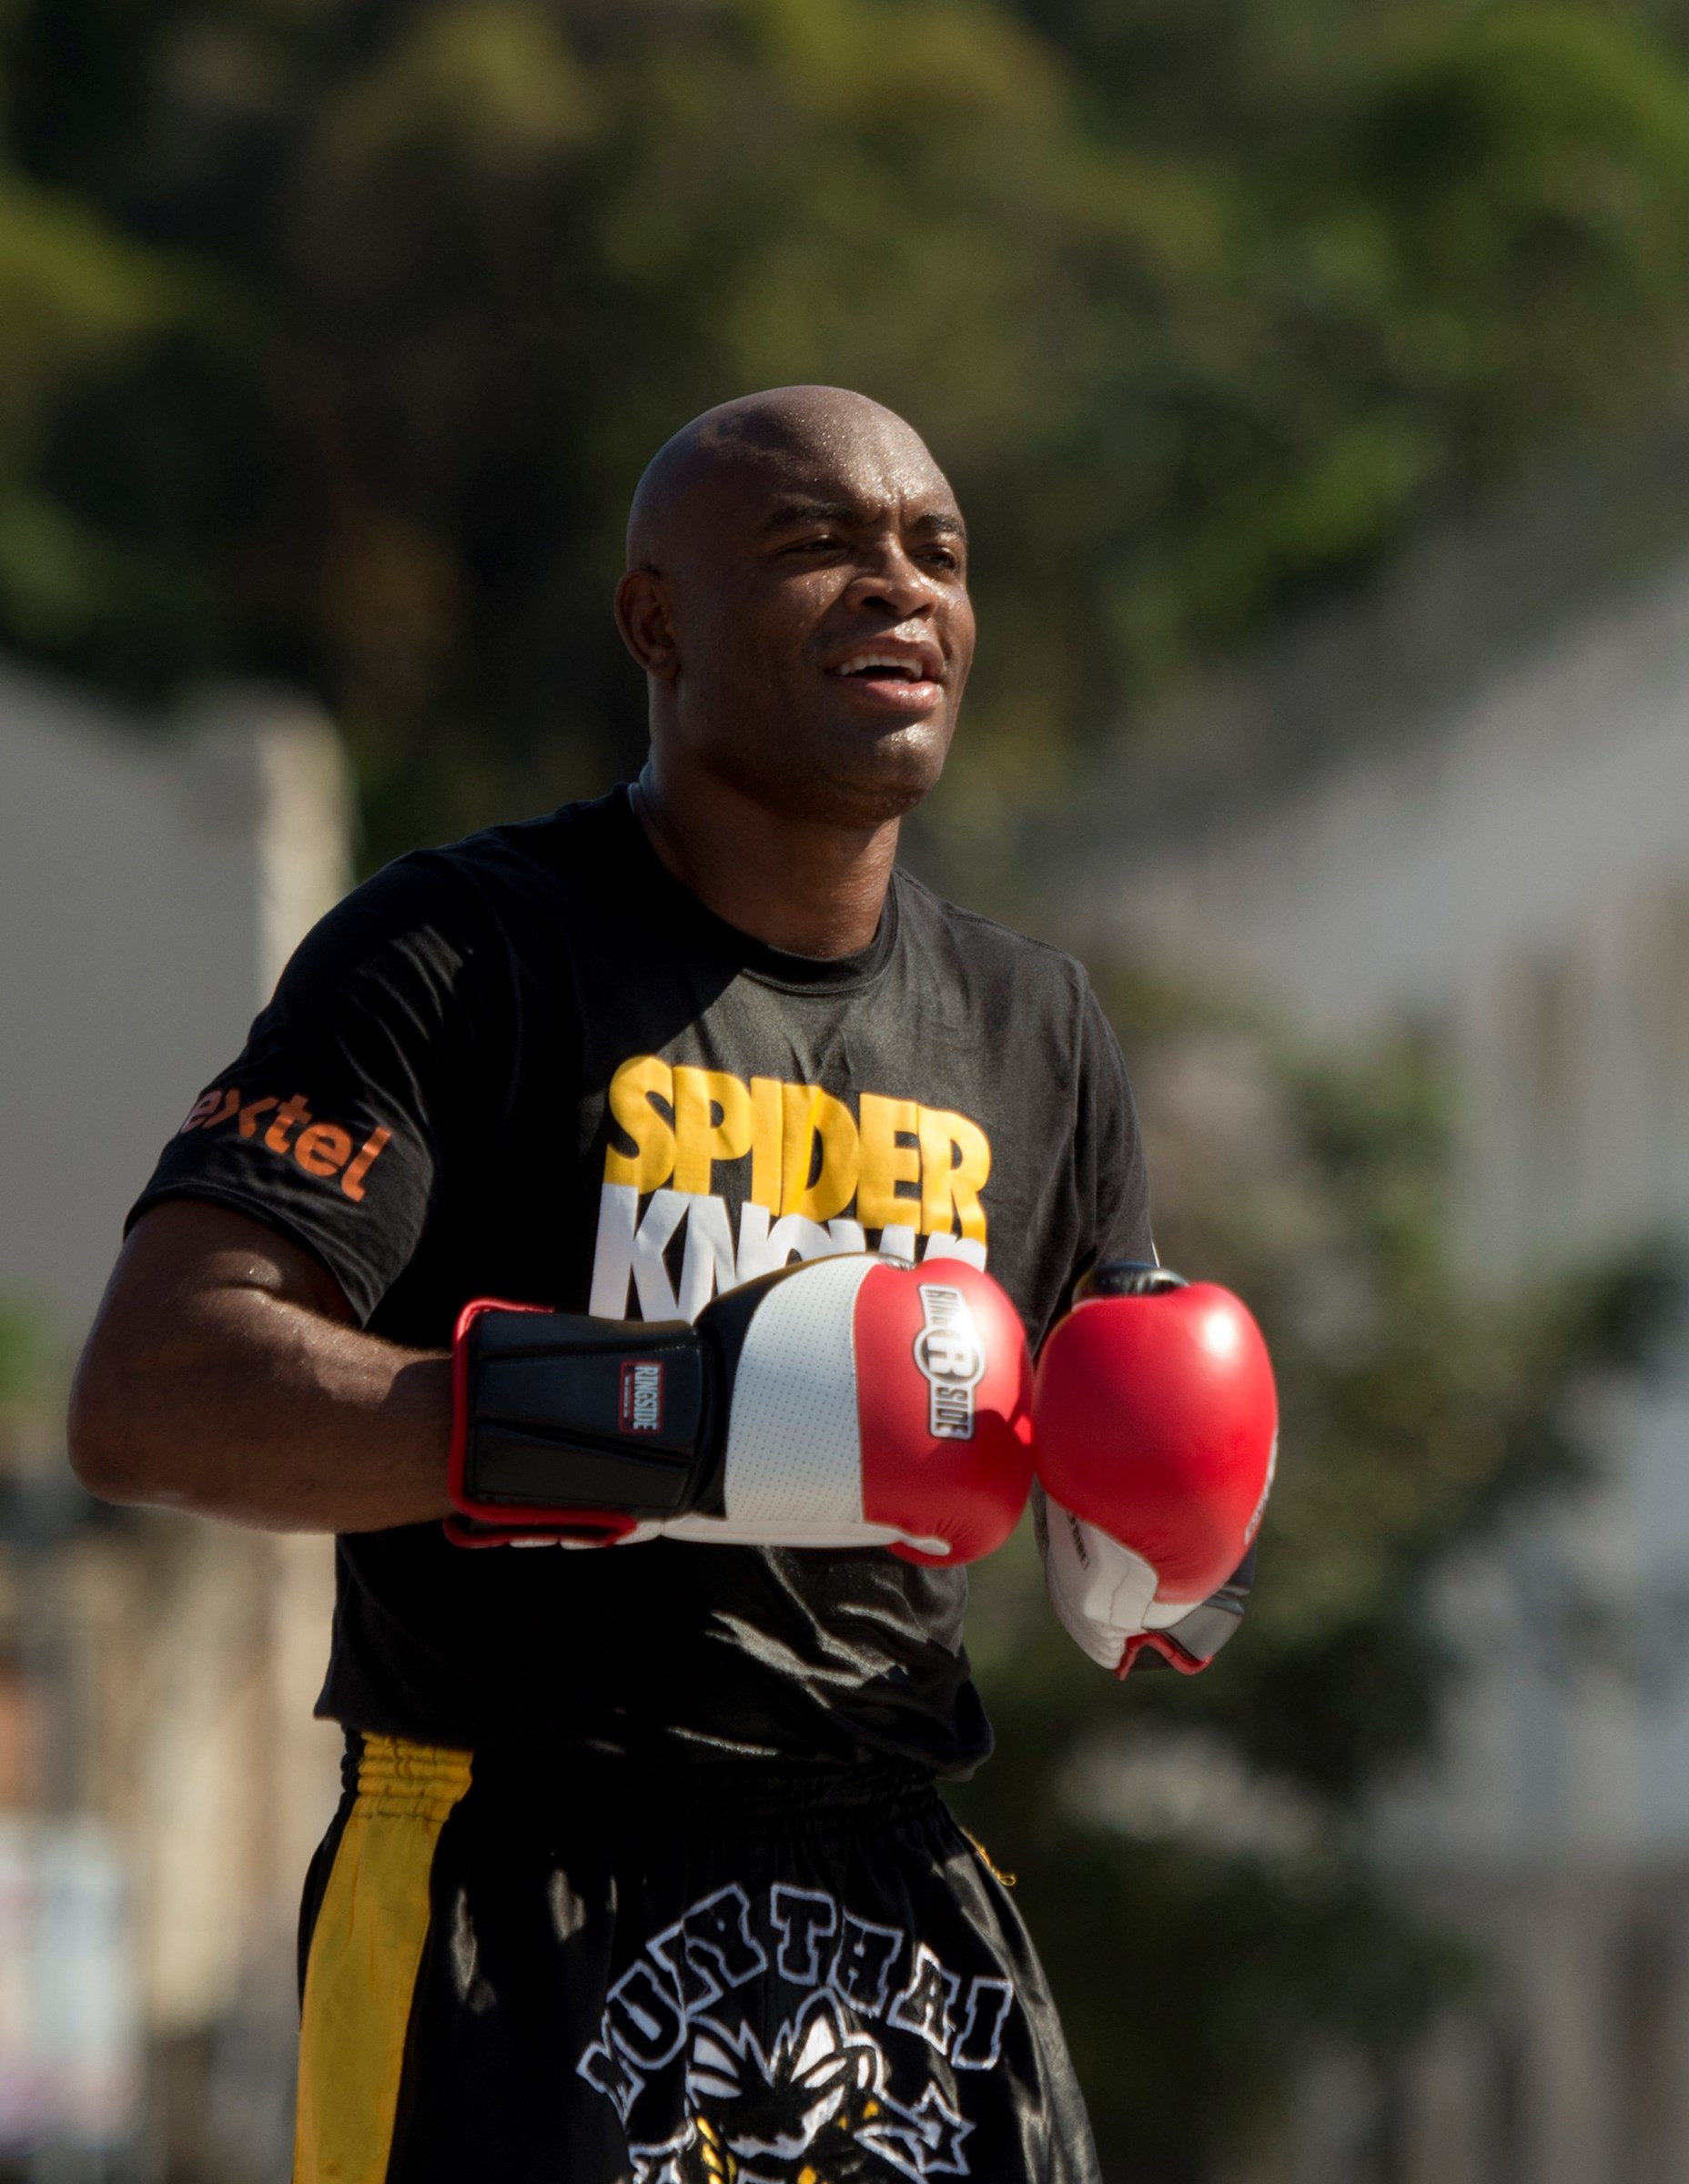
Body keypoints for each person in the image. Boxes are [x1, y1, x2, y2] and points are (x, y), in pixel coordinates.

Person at [68, 386, 1204, 2183]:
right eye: (818, 543)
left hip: (892, 1885)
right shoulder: (460, 953)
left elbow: (1142, 1575)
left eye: (938, 552)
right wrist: (678, 1420)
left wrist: (1176, 1550)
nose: (898, 586)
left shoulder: (1034, 1026)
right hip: (515, 1875)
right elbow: (155, 1395)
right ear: (655, 623)